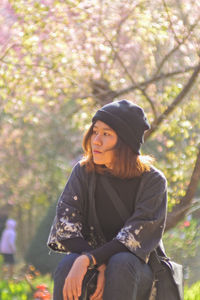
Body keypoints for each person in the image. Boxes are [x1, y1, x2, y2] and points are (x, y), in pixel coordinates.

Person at [47, 100, 168, 300]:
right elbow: (65, 227)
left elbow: (132, 238)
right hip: (92, 260)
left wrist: (89, 258)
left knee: (121, 263)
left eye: (106, 134)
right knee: (68, 264)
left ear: (126, 142)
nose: (96, 141)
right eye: (95, 132)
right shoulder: (83, 172)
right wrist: (95, 262)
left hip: (136, 270)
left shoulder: (153, 181)